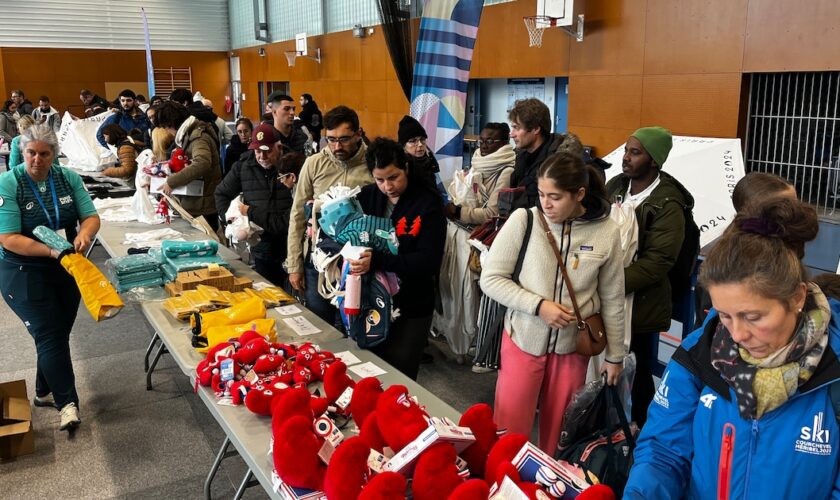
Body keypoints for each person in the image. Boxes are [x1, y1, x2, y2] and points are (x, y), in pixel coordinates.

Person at [624, 198, 840, 499]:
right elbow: (663, 452)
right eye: (725, 315)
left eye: (753, 317)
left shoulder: (834, 371)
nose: (737, 334)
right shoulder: (698, 355)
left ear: (797, 297)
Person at [480, 151, 626, 456]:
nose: (546, 204)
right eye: (543, 194)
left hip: (573, 348)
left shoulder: (607, 232)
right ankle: (503, 483)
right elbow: (491, 279)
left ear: (579, 194)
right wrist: (537, 305)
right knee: (508, 430)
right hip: (522, 340)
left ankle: (550, 486)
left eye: (556, 197)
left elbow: (613, 299)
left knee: (560, 435)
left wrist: (615, 356)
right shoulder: (525, 220)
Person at [0, 124, 101, 432]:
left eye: (44, 154)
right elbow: (9, 238)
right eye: (31, 153)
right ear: (22, 151)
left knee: (57, 333)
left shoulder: (67, 178)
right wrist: (52, 252)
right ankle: (67, 403)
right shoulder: (9, 182)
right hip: (22, 268)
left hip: (67, 264)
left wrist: (84, 234)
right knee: (49, 334)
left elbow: (91, 217)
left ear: (54, 154)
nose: (37, 160)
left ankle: (43, 392)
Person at [605, 126, 693, 426]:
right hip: (608, 292)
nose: (625, 158)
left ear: (654, 160)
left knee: (637, 368)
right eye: (626, 150)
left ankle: (639, 430)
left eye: (635, 152)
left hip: (641, 301)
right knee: (606, 362)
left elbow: (659, 262)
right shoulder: (616, 186)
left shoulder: (668, 204)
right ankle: (602, 425)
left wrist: (610, 282)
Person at [347, 137, 447, 380]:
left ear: (406, 167)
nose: (387, 186)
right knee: (371, 368)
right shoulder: (369, 196)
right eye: (379, 179)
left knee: (400, 374)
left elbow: (428, 261)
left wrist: (378, 260)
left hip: (412, 303)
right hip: (372, 298)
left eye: (393, 178)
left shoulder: (428, 203)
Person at [285, 105, 372, 325]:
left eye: (344, 139)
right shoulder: (314, 164)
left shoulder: (372, 163)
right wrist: (294, 265)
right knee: (319, 325)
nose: (336, 146)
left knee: (354, 326)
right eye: (331, 139)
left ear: (358, 134)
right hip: (318, 261)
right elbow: (297, 216)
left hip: (357, 263)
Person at [216, 123, 298, 286]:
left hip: (291, 245)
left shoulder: (294, 165)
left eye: (267, 151)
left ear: (279, 147)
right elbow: (221, 194)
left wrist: (250, 212)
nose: (262, 156)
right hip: (261, 246)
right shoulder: (243, 167)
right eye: (257, 151)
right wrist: (234, 223)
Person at [156, 101, 222, 231]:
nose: (167, 132)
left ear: (171, 124)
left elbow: (202, 163)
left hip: (204, 205)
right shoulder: (188, 135)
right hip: (196, 201)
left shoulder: (198, 137)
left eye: (166, 127)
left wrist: (172, 181)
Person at [508, 98, 583, 209]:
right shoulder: (521, 157)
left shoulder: (559, 162)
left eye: (516, 128)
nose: (511, 134)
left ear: (536, 129)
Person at [445, 122, 516, 225]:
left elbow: (491, 214)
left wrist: (458, 212)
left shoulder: (507, 172)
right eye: (481, 141)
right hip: (461, 227)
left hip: (478, 234)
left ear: (504, 143)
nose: (484, 146)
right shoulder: (478, 162)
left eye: (489, 141)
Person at [397, 115, 440, 192]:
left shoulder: (429, 160)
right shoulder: (399, 168)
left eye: (422, 139)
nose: (420, 144)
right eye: (413, 141)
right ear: (403, 145)